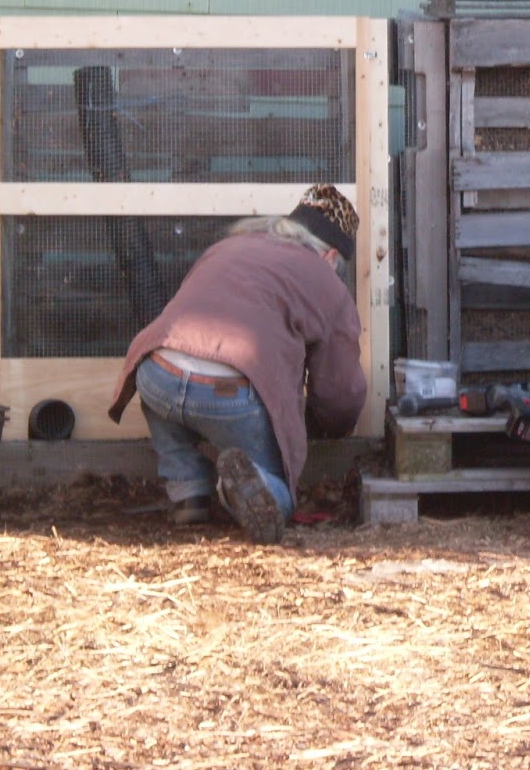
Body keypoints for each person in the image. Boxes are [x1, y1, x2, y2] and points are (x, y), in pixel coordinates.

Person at [108, 184, 368, 543]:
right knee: (274, 487)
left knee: (168, 401)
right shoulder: (326, 281)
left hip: (155, 371)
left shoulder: (228, 247)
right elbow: (340, 391)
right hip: (228, 393)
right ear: (331, 255)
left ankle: (188, 491)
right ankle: (250, 489)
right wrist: (330, 426)